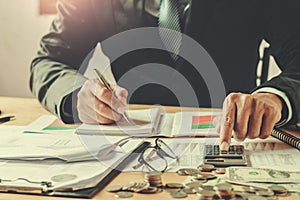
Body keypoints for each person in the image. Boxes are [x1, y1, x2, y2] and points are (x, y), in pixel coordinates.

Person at [30, 0, 300, 151]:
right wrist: (78, 97)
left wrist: (275, 98)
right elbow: (48, 61)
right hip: (130, 148)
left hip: (233, 143)